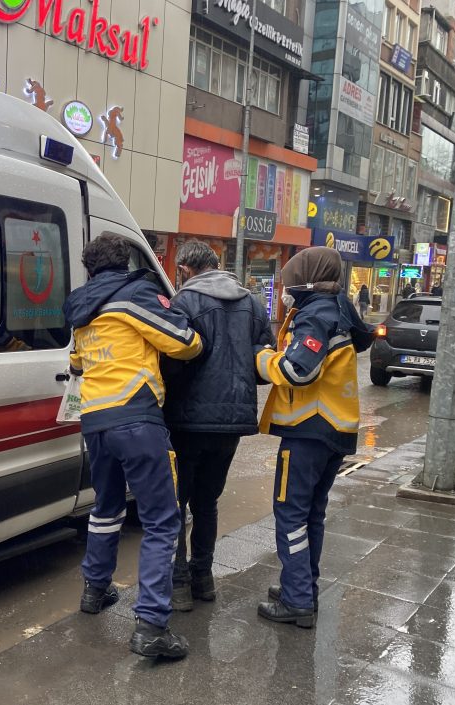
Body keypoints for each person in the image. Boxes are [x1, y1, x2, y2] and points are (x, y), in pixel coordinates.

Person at [63, 233, 203, 658]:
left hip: (95, 421)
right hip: (137, 417)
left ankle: (95, 590)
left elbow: (76, 362)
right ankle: (151, 625)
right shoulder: (135, 295)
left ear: (90, 268)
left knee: (106, 508)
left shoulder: (82, 308)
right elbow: (185, 343)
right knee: (162, 520)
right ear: (125, 262)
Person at [254, 247, 374, 628]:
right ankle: (303, 587)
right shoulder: (338, 307)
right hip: (336, 430)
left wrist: (261, 358)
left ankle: (297, 600)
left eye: (289, 281)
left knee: (290, 514)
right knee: (311, 515)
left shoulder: (316, 314)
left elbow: (297, 371)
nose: (285, 289)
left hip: (308, 431)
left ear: (306, 280)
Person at [161, 242, 274, 611]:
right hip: (232, 423)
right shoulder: (252, 304)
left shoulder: (184, 302)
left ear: (186, 270)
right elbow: (263, 365)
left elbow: (172, 362)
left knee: (176, 504)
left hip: (186, 421)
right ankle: (203, 579)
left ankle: (179, 585)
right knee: (206, 502)